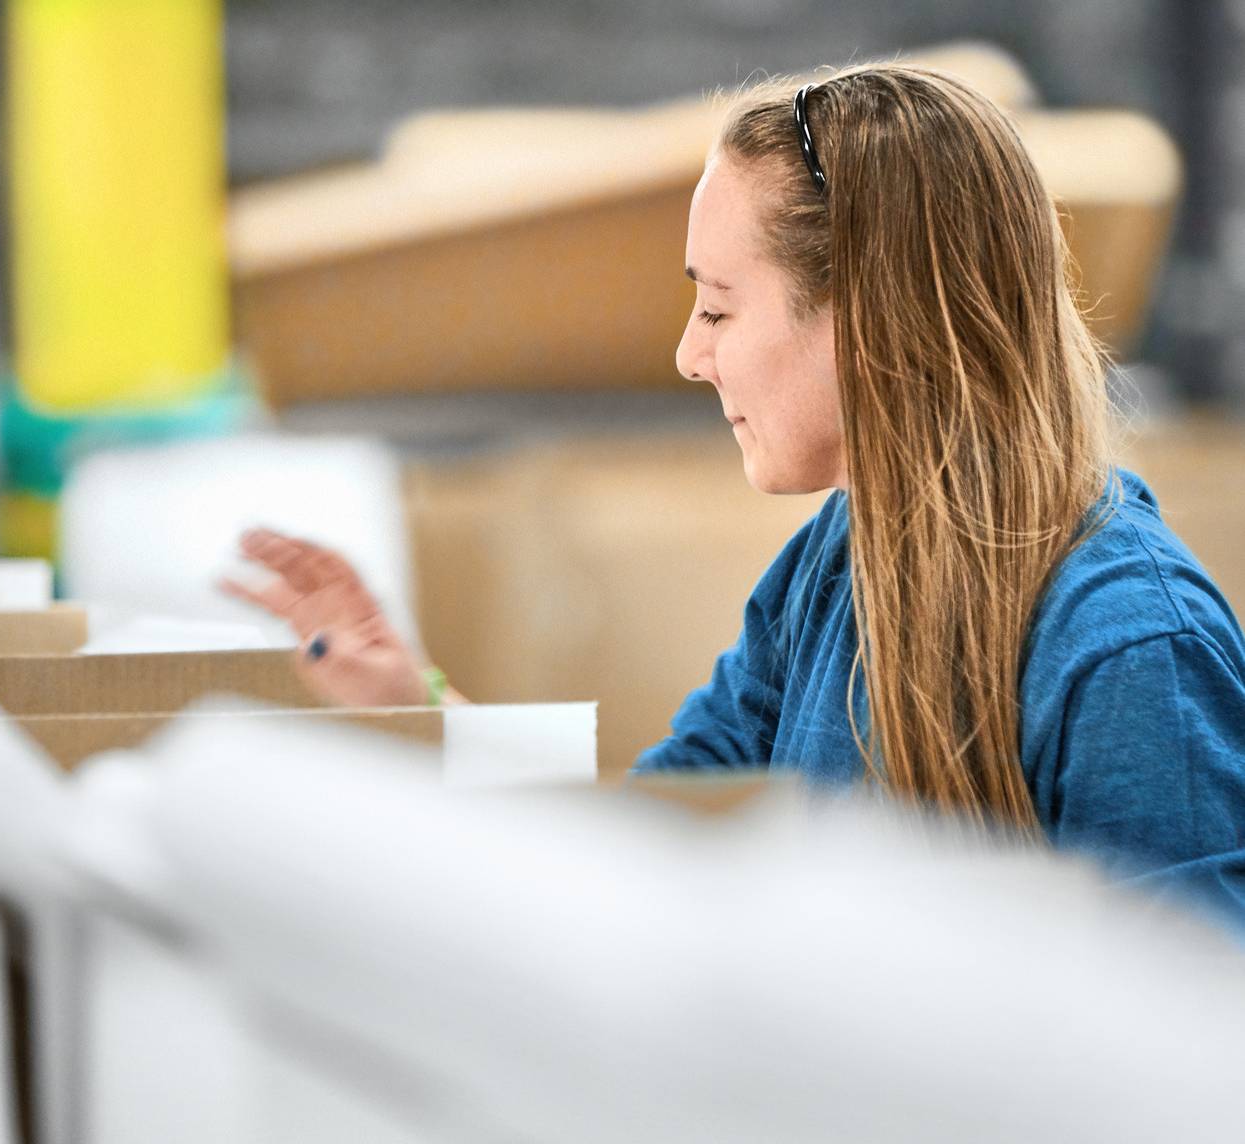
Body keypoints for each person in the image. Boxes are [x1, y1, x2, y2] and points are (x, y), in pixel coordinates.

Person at [224, 63, 1245, 918]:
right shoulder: (831, 566)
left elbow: (1188, 1059)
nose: (686, 356)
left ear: (867, 320)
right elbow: (659, 839)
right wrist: (424, 714)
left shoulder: (1128, 649)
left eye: (716, 309)